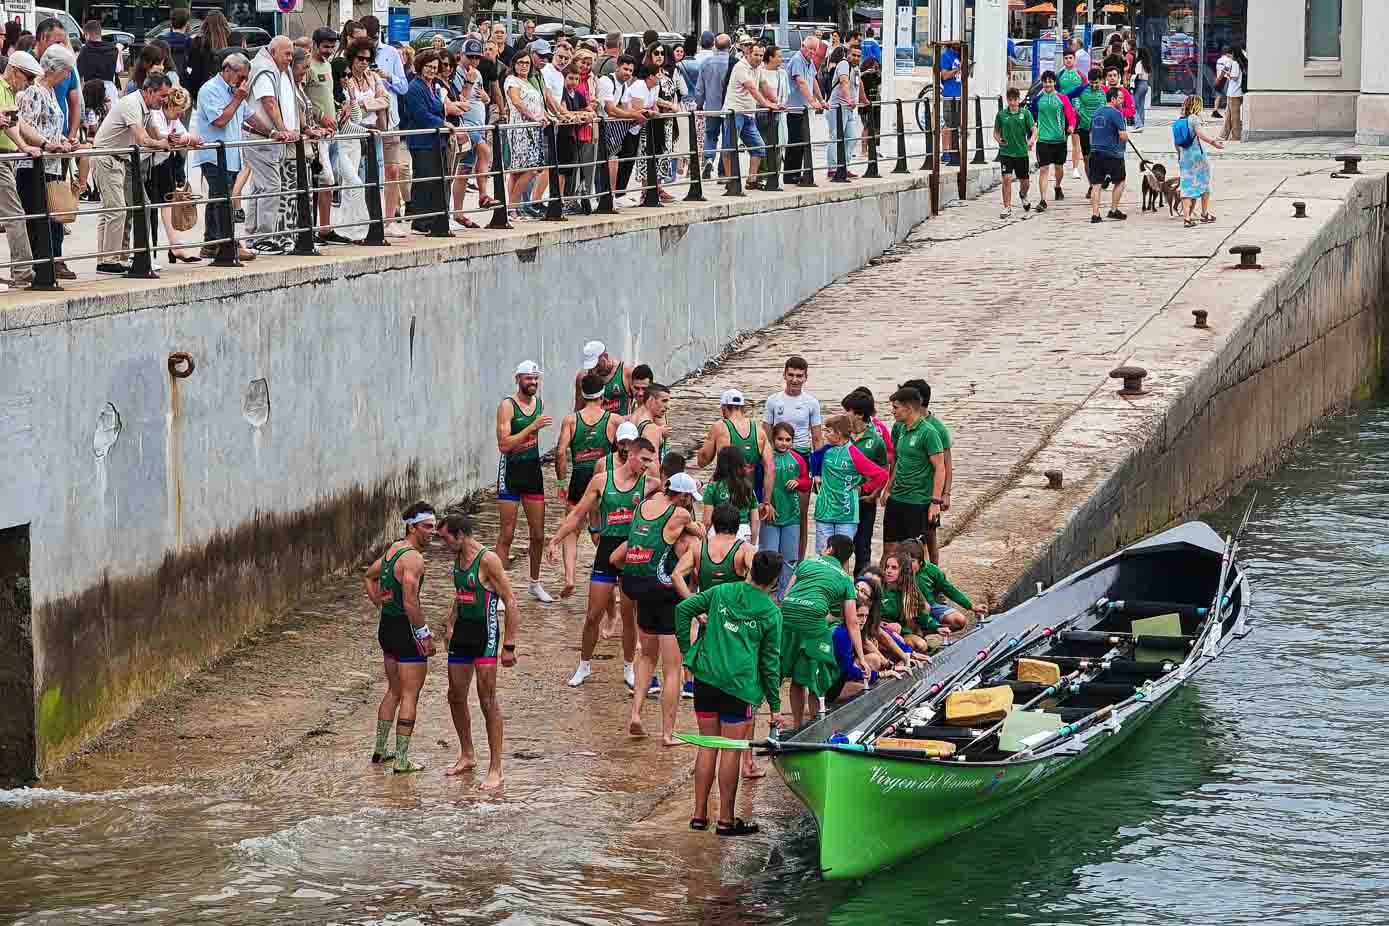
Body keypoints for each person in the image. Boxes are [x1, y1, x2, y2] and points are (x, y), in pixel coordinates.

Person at [676, 549, 784, 835]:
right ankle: (725, 819)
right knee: (730, 751)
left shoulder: (722, 591)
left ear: (750, 571)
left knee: (707, 744)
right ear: (775, 581)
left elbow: (682, 610)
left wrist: (688, 653)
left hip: (707, 679)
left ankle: (699, 815)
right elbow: (770, 663)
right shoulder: (772, 613)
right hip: (740, 687)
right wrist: (775, 704)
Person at [617, 471, 705, 743]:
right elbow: (699, 530)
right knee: (673, 670)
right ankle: (667, 733)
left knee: (646, 658)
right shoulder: (680, 515)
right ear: (683, 496)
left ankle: (635, 714)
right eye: (690, 499)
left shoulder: (644, 505)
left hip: (639, 588)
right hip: (665, 594)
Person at [439, 510, 520, 788]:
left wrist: (508, 645)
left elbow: (510, 601)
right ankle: (467, 754)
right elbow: (460, 595)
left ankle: (496, 768)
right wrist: (450, 624)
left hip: (485, 636)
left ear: (460, 536)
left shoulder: (488, 560)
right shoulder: (457, 558)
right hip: (462, 632)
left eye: (446, 538)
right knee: (455, 696)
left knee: (487, 700)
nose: (443, 544)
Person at [362, 501, 437, 773]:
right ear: (412, 527)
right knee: (409, 695)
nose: (433, 532)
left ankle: (380, 751)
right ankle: (403, 760)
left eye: (435, 527)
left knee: (393, 690)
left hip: (387, 629)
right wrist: (425, 635)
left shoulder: (394, 550)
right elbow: (410, 602)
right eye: (427, 527)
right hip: (406, 632)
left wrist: (381, 606)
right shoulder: (414, 559)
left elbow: (369, 577)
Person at [89, 73, 172, 275]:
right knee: (116, 210)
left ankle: (119, 257)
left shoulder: (146, 108)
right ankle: (108, 261)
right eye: (163, 96)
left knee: (130, 206)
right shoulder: (131, 103)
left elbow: (156, 135)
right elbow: (143, 139)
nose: (165, 100)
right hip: (107, 159)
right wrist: (162, 144)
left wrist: (176, 140)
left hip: (120, 161)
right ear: (150, 91)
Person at [781, 534, 860, 727]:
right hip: (812, 621)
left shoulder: (806, 564)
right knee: (818, 681)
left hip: (788, 617)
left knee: (797, 680)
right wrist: (862, 657)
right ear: (846, 559)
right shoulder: (846, 580)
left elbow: (786, 596)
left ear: (830, 549)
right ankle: (816, 728)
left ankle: (797, 726)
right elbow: (852, 622)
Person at [552, 373, 620, 596]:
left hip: (579, 478)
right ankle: (609, 572)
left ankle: (570, 577)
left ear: (582, 394)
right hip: (603, 478)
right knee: (601, 528)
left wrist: (562, 481)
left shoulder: (571, 420)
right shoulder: (613, 421)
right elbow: (623, 453)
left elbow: (560, 452)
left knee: (572, 528)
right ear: (603, 395)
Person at [14, 44, 77, 281]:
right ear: (55, 69)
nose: (68, 76)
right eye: (67, 71)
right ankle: (38, 269)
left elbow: (48, 126)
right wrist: (45, 144)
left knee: (53, 219)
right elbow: (25, 125)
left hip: (51, 165)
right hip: (34, 167)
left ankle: (50, 263)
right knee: (37, 218)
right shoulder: (35, 91)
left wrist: (64, 140)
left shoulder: (49, 91)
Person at [190, 53, 256, 263]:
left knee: (218, 197)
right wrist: (238, 98)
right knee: (223, 198)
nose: (243, 82)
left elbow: (250, 116)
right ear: (228, 70)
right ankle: (228, 245)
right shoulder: (211, 90)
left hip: (231, 154)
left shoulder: (234, 91)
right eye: (241, 76)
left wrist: (275, 131)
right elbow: (220, 120)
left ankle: (211, 244)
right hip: (213, 155)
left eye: (246, 78)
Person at [241, 37, 298, 255]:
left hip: (262, 137)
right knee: (271, 185)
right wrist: (282, 129)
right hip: (262, 138)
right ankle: (263, 237)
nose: (290, 59)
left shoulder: (273, 67)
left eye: (292, 54)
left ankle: (254, 235)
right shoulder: (265, 69)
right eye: (287, 54)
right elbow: (269, 102)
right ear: (273, 52)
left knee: (260, 186)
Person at [763, 355, 823, 562]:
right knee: (772, 508)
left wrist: (817, 473)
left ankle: (796, 564)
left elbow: (817, 437)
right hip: (777, 459)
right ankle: (772, 564)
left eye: (799, 376)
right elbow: (765, 434)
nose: (795, 380)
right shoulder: (773, 401)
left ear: (806, 377)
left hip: (801, 458)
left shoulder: (811, 402)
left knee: (800, 515)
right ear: (784, 375)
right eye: (791, 375)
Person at [882, 386, 946, 565]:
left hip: (918, 502)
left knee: (917, 551)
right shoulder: (901, 429)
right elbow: (899, 461)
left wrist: (935, 502)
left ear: (908, 408)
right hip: (897, 498)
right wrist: (888, 488)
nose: (892, 411)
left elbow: (940, 467)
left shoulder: (929, 433)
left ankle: (924, 589)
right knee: (890, 548)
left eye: (895, 407)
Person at [361, 16, 409, 236]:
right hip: (365, 121)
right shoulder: (355, 53)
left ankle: (390, 220)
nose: (369, 43)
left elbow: (404, 87)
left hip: (390, 120)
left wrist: (387, 76)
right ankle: (365, 219)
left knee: (393, 169)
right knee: (364, 172)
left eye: (372, 38)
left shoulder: (391, 53)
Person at [812, 414, 888, 553]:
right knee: (823, 554)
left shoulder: (854, 453)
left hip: (846, 514)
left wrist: (863, 488)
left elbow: (882, 475)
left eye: (828, 431)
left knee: (842, 556)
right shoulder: (826, 450)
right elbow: (813, 458)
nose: (825, 434)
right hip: (824, 512)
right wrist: (816, 475)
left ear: (838, 434)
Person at [146, 85, 202, 263]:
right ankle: (149, 249)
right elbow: (166, 137)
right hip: (149, 164)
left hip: (163, 163)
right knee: (148, 209)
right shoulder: (155, 115)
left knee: (166, 204)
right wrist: (187, 139)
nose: (181, 116)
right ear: (169, 106)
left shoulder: (172, 118)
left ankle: (174, 244)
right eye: (179, 112)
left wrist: (186, 138)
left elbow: (182, 134)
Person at [840, 390, 893, 574]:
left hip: (864, 501)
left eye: (848, 410)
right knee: (840, 545)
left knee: (863, 545)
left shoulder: (876, 440)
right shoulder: (840, 436)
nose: (844, 414)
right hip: (843, 501)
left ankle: (862, 587)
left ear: (859, 414)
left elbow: (884, 469)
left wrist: (874, 493)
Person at [698, 387, 775, 507]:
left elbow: (702, 461)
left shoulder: (719, 427)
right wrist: (766, 502)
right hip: (749, 493)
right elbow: (770, 468)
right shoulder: (759, 430)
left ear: (724, 408)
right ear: (743, 408)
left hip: (725, 495)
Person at [759, 422, 810, 600]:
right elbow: (757, 484)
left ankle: (783, 596)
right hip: (770, 515)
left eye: (788, 440)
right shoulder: (766, 458)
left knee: (789, 559)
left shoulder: (798, 459)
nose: (784, 443)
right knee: (768, 558)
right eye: (780, 439)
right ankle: (764, 594)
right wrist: (765, 503)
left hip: (792, 516)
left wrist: (799, 483)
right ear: (773, 439)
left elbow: (807, 482)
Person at [721, 36, 773, 190]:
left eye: (761, 55)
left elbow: (764, 85)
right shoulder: (741, 66)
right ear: (748, 55)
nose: (758, 58)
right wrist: (767, 104)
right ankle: (731, 181)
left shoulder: (759, 69)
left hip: (749, 113)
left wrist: (776, 101)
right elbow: (752, 88)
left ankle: (751, 180)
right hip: (735, 112)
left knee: (759, 147)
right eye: (756, 55)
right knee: (729, 147)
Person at [903, 538, 986, 632]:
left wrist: (971, 606)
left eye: (912, 561)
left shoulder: (931, 570)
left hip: (930, 607)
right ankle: (917, 631)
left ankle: (930, 629)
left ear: (920, 561)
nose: (907, 565)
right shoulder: (897, 572)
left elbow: (949, 589)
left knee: (959, 621)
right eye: (905, 561)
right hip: (908, 608)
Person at [1026, 70, 1076, 214]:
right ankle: (1043, 200)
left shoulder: (1062, 98)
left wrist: (1071, 126)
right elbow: (1032, 120)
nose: (1047, 84)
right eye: (1045, 81)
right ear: (1042, 83)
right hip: (1043, 141)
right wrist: (1030, 138)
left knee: (1059, 168)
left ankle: (1058, 186)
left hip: (1059, 139)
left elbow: (1071, 115)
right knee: (1043, 169)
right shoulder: (1037, 100)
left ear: (1054, 83)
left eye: (1050, 81)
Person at [1175, 94, 1223, 228]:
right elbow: (1200, 134)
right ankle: (1204, 213)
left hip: (1185, 158)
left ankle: (1187, 218)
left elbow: (1176, 143)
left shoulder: (1179, 121)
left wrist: (1179, 155)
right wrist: (1214, 142)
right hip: (1198, 157)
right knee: (1204, 184)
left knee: (1186, 186)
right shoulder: (1194, 119)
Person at [784, 35, 824, 185]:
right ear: (802, 45)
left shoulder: (809, 62)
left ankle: (796, 173)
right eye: (811, 49)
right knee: (795, 142)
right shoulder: (797, 60)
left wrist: (821, 100)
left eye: (815, 50)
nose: (813, 53)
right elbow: (801, 82)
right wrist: (812, 101)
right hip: (795, 108)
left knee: (801, 142)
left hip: (803, 109)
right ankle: (790, 175)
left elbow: (813, 80)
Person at [1087, 87, 1129, 224]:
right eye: (1120, 98)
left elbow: (1091, 133)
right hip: (1112, 154)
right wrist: (1126, 136)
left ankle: (1095, 214)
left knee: (1096, 185)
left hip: (1095, 152)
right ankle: (1113, 209)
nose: (1122, 101)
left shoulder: (1096, 112)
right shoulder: (1116, 114)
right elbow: (1122, 136)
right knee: (1120, 181)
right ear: (1113, 99)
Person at [693, 33, 731, 180]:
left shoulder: (706, 63)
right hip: (729, 107)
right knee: (727, 138)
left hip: (712, 106)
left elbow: (699, 88)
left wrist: (699, 104)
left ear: (715, 45)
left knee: (711, 136)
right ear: (729, 46)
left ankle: (708, 158)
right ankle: (723, 171)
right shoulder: (733, 62)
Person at [703, 446, 760, 544]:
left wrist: (703, 541)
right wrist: (754, 544)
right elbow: (755, 520)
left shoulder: (713, 487)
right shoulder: (748, 487)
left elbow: (707, 521)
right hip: (743, 532)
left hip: (718, 533)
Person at [994, 86, 1036, 219]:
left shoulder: (1025, 113)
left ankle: (1023, 195)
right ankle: (1007, 207)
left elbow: (1034, 129)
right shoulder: (1001, 115)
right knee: (1006, 179)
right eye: (1010, 100)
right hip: (1006, 153)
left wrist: (1031, 140)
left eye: (1015, 100)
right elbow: (996, 132)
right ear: (1007, 100)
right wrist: (999, 140)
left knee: (1025, 181)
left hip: (1021, 153)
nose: (1012, 103)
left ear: (1019, 100)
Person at [824, 41, 864, 180]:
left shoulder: (856, 68)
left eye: (859, 56)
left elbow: (859, 83)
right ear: (848, 54)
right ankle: (832, 168)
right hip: (838, 107)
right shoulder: (844, 64)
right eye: (854, 55)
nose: (856, 58)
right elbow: (844, 81)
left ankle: (844, 166)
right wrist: (848, 100)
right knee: (835, 137)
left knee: (852, 137)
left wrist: (863, 99)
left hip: (850, 109)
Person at [576, 340, 638, 414]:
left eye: (596, 365)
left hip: (621, 424)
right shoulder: (583, 378)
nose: (593, 370)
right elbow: (578, 409)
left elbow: (642, 405)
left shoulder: (626, 373)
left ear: (605, 356)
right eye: (590, 366)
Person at [757, 44, 789, 186]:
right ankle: (762, 175)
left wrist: (780, 104)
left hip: (778, 113)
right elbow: (761, 91)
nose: (782, 59)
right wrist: (772, 102)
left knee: (777, 144)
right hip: (763, 113)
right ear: (770, 58)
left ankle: (775, 174)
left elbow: (786, 92)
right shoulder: (760, 72)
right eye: (779, 56)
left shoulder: (782, 73)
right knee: (762, 144)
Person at [186, 10, 232, 102]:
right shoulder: (231, 39)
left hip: (201, 86)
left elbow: (191, 63)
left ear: (205, 23)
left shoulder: (198, 41)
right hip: (225, 87)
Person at [1055, 49, 1087, 183]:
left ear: (1075, 59)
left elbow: (1086, 91)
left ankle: (1075, 168)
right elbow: (1055, 92)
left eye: (1070, 58)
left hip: (1076, 111)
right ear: (1063, 60)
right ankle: (1059, 165)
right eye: (1066, 58)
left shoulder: (1080, 75)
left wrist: (1081, 108)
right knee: (1061, 140)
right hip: (1062, 112)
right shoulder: (1059, 75)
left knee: (1076, 141)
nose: (1068, 60)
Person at [629, 379, 671, 464]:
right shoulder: (651, 429)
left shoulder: (636, 414)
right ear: (651, 400)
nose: (668, 406)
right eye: (664, 401)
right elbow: (652, 465)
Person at [939, 42, 961, 165]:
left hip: (959, 93)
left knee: (956, 123)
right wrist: (957, 69)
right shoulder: (946, 56)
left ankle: (953, 150)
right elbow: (945, 75)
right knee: (948, 123)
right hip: (950, 93)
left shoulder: (961, 55)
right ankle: (946, 152)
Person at [1218, 45, 1243, 143]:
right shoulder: (1236, 62)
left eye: (1230, 54)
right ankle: (1224, 135)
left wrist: (1227, 74)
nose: (1229, 56)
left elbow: (1235, 77)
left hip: (1235, 93)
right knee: (1228, 115)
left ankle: (1236, 135)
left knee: (1234, 116)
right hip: (1233, 92)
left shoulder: (1236, 63)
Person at [1132, 47, 1151, 131]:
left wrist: (1132, 80)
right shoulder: (1147, 63)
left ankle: (1138, 124)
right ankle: (1141, 122)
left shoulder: (1139, 63)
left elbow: (1138, 75)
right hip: (1146, 84)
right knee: (1141, 106)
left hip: (1139, 83)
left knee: (1135, 105)